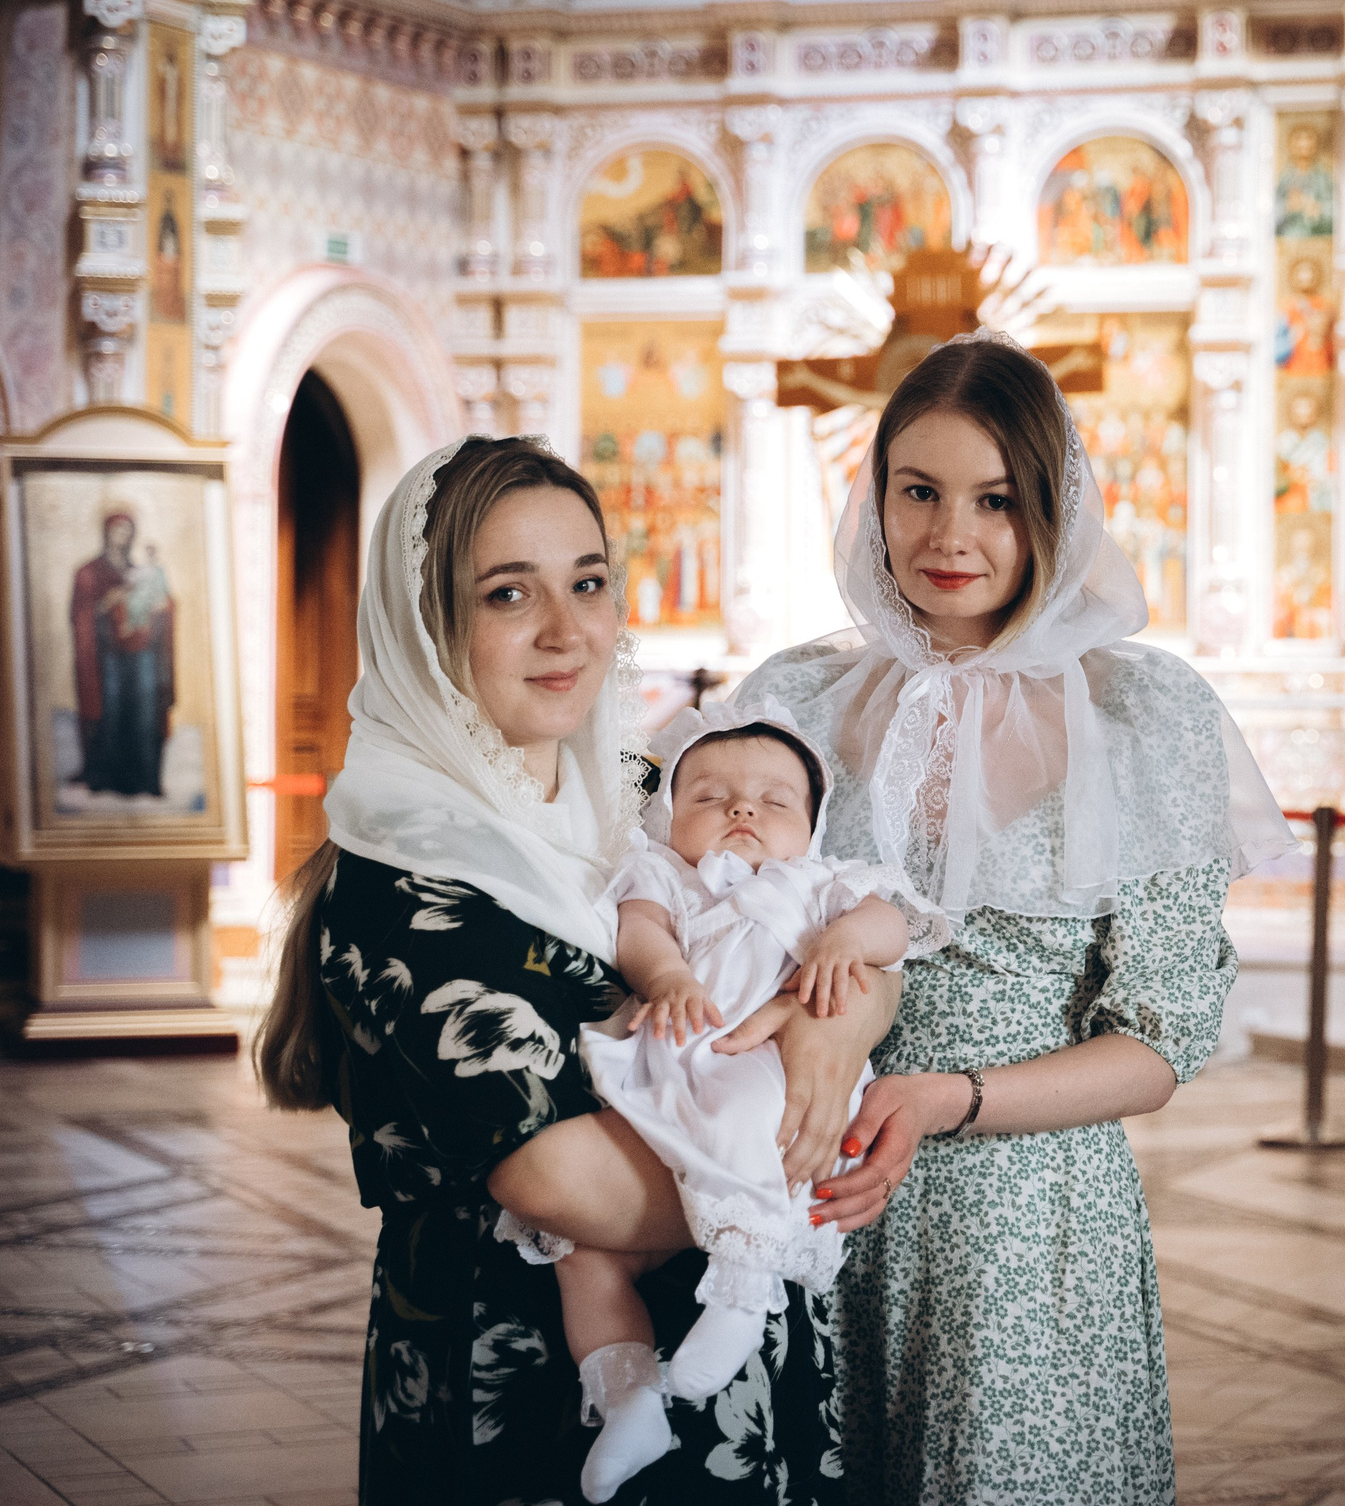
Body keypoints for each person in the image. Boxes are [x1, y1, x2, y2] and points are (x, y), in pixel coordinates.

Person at [252, 437, 898, 1505]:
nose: (567, 632)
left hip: (730, 1343)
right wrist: (796, 1169)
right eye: (509, 592)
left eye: (588, 582)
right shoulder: (401, 881)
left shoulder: (652, 792)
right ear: (426, 624)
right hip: (528, 1379)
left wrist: (834, 1029)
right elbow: (559, 1180)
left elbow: (836, 912)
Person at [738, 335, 1293, 1504]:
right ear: (874, 493)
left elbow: (1157, 1045)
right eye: (920, 490)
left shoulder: (1144, 716)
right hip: (803, 1202)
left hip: (1026, 1231)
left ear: (1052, 507)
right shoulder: (793, 697)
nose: (952, 535)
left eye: (996, 500)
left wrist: (950, 1097)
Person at [500, 701, 928, 1502]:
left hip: (766, 1072)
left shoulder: (824, 883)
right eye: (709, 796)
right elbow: (641, 931)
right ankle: (627, 1395)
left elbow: (891, 924)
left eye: (774, 801)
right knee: (579, 1249)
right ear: (667, 815)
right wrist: (666, 976)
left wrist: (843, 941)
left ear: (813, 824)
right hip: (674, 1069)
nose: (741, 810)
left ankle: (741, 1284)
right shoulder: (664, 873)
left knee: (744, 1121)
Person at [69, 509, 175, 798]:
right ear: (106, 533)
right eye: (118, 530)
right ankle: (108, 776)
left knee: (143, 712)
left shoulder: (140, 570)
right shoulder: (90, 571)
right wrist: (106, 603)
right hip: (107, 657)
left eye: (128, 531)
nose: (123, 537)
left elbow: (160, 600)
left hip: (140, 651)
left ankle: (143, 777)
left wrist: (163, 608)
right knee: (112, 712)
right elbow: (82, 613)